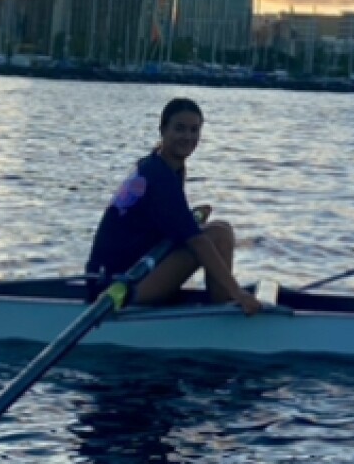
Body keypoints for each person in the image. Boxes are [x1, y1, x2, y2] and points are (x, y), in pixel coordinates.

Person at [86, 97, 260, 313]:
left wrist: (189, 216)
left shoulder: (159, 164)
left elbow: (165, 217)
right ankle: (226, 308)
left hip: (136, 270)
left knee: (222, 228)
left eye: (194, 130)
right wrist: (238, 291)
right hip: (116, 289)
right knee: (216, 236)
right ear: (163, 130)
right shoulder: (158, 176)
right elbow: (197, 242)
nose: (187, 137)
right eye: (180, 129)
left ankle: (224, 305)